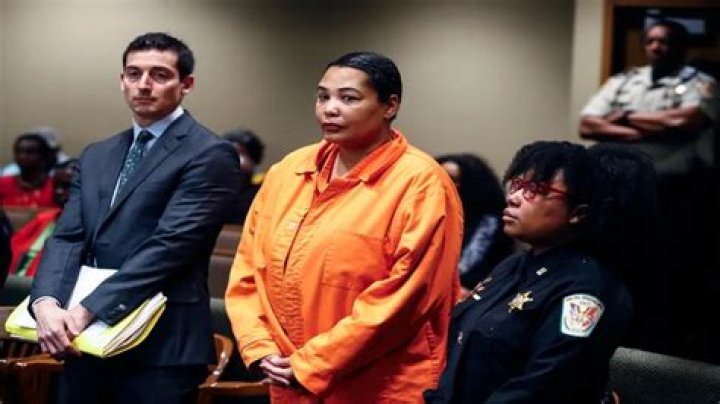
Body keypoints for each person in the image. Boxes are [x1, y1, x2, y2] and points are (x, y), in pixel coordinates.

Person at [225, 51, 463, 403]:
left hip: (381, 383)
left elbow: (405, 298)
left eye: (348, 98)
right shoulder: (290, 169)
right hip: (289, 376)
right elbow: (248, 268)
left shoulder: (422, 183)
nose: (329, 109)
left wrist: (313, 362)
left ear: (390, 106)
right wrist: (260, 346)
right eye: (323, 97)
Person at [29, 32, 241, 404]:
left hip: (159, 345)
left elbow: (171, 246)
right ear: (121, 80)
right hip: (85, 341)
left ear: (186, 84)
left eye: (159, 75)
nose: (144, 84)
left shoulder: (210, 153)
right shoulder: (98, 153)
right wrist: (46, 303)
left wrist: (86, 311)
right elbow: (67, 237)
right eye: (134, 73)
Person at [425, 141, 656, 403]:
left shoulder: (587, 290)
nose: (513, 197)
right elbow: (459, 349)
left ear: (578, 213)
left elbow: (541, 388)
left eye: (536, 189)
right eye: (517, 184)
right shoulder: (513, 264)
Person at [579, 19, 718, 361]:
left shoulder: (702, 83)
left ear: (681, 47)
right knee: (622, 263)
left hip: (676, 192)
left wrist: (622, 118)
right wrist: (654, 127)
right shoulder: (624, 80)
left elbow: (686, 121)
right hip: (623, 193)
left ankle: (662, 350)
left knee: (669, 271)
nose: (657, 47)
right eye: (651, 41)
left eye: (665, 41)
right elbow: (587, 124)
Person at [436, 153, 514, 290]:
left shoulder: (489, 223)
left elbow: (467, 270)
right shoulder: (429, 211)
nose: (444, 184)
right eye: (440, 177)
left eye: (452, 179)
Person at [9, 159, 78, 277]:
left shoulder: (91, 229)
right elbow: (11, 250)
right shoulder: (44, 219)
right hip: (15, 282)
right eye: (56, 185)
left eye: (67, 186)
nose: (59, 191)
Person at [0, 132, 58, 208]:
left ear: (44, 156)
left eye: (30, 152)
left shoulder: (57, 187)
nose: (22, 156)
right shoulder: (3, 184)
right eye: (18, 152)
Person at [222, 128, 266, 224]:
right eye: (232, 153)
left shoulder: (260, 192)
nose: (237, 160)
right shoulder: (209, 186)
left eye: (242, 153)